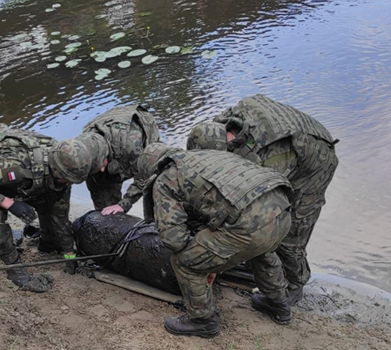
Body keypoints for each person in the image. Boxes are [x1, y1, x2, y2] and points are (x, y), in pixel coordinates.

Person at [186, 94, 339, 305]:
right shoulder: (217, 128)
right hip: (288, 136)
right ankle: (262, 267)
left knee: (289, 227)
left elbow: (262, 204)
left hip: (315, 158)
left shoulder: (266, 156)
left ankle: (294, 286)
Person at [137, 143, 294, 338]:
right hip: (282, 208)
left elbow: (174, 240)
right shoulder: (203, 156)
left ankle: (202, 320)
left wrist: (204, 262)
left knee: (184, 261)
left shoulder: (166, 178)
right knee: (262, 249)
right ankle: (279, 304)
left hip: (249, 224)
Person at [0, 122, 105, 289]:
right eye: (66, 179)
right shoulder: (16, 165)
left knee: (50, 200)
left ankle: (47, 243)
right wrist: (10, 204)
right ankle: (13, 266)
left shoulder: (61, 172)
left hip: (5, 181)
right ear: (57, 171)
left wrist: (69, 255)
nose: (68, 184)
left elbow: (59, 217)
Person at [77, 104, 160, 215]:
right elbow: (95, 187)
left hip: (142, 123)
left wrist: (125, 203)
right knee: (102, 182)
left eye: (101, 164)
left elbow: (144, 177)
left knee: (155, 181)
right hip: (109, 125)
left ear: (105, 154)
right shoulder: (83, 150)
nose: (101, 169)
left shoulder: (133, 145)